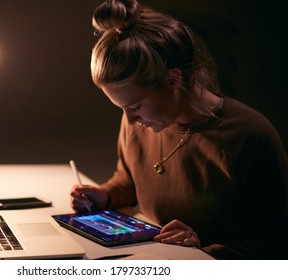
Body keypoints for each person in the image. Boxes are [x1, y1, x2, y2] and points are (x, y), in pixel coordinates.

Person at [70, 0, 288, 259]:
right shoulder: (139, 122)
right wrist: (105, 196)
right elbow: (129, 179)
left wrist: (201, 252)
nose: (129, 120)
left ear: (174, 79)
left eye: (136, 106)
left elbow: (275, 244)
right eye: (122, 108)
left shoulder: (248, 136)